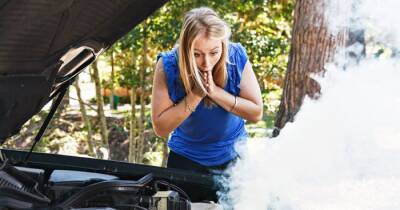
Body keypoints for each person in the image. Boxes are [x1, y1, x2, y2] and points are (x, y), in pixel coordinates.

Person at [151, 7, 263, 173]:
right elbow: (161, 128)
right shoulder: (168, 65)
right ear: (185, 49)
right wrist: (196, 95)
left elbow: (256, 113)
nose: (206, 62)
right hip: (186, 159)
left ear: (222, 45)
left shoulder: (236, 56)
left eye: (214, 52)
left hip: (234, 158)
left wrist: (216, 93)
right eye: (196, 54)